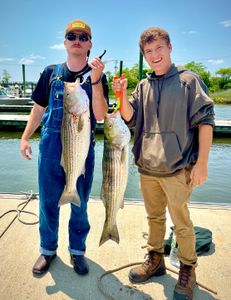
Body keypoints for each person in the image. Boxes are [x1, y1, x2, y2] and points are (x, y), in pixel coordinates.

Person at [112, 27, 214, 300]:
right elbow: (130, 117)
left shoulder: (189, 80)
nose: (154, 55)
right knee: (154, 218)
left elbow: (205, 122)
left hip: (178, 168)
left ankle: (188, 269)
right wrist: (121, 96)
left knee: (181, 222)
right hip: (147, 168)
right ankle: (155, 259)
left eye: (159, 48)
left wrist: (202, 162)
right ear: (144, 55)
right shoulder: (143, 86)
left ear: (169, 47)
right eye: (148, 51)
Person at [20, 19, 108, 276]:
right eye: (72, 36)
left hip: (81, 147)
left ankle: (77, 250)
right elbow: (38, 109)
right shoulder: (50, 72)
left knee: (79, 205)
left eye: (83, 36)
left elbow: (100, 115)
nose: (77, 40)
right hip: (49, 149)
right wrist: (26, 137)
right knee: (47, 202)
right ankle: (47, 249)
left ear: (90, 44)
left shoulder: (97, 76)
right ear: (65, 42)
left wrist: (96, 80)